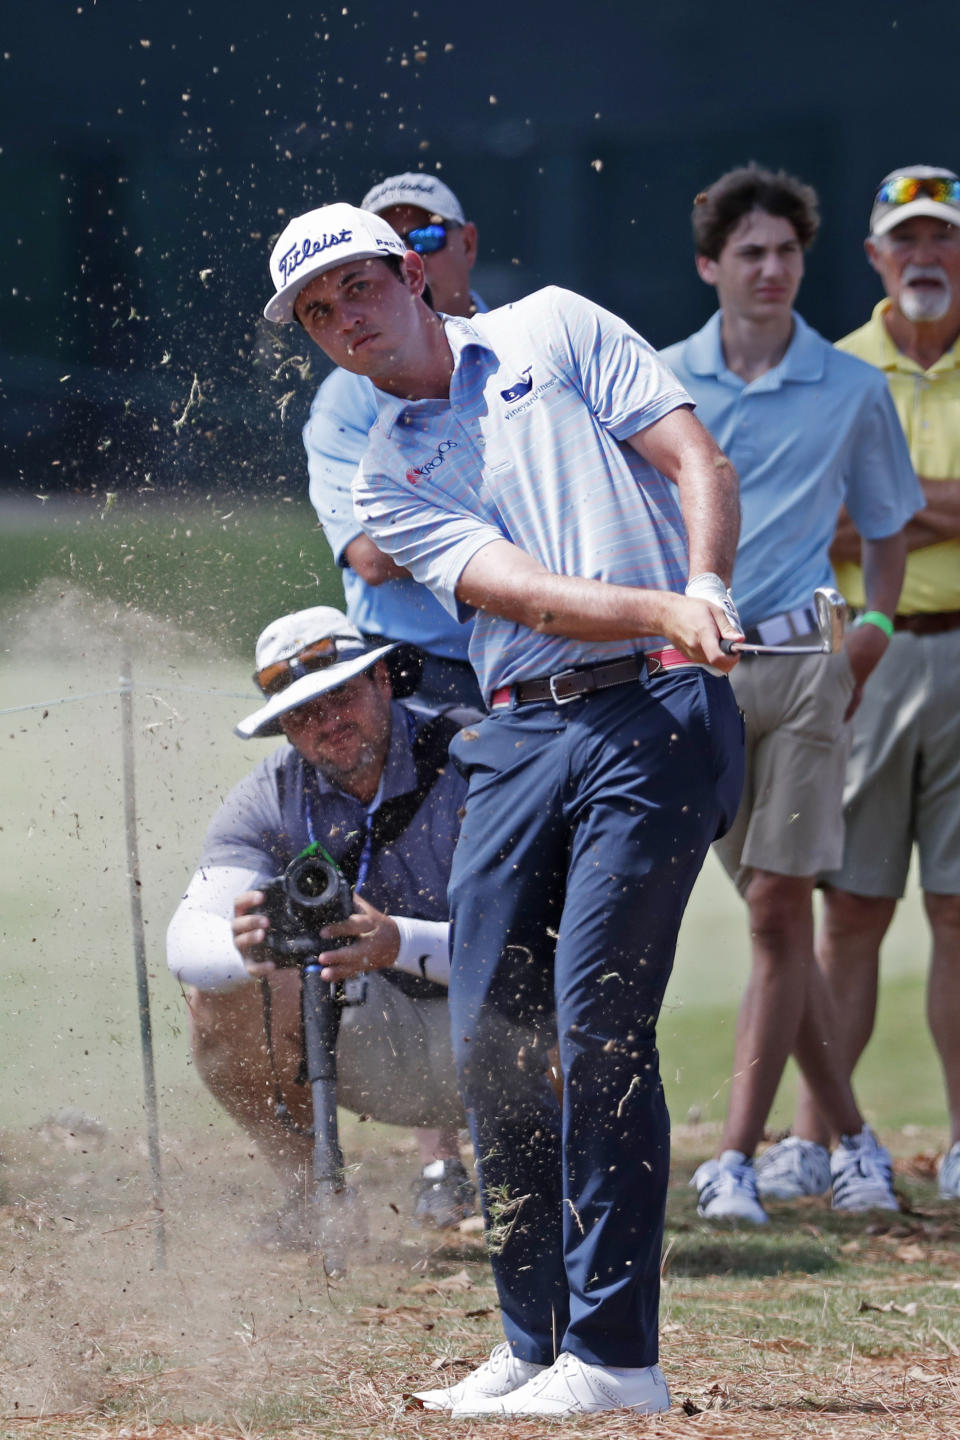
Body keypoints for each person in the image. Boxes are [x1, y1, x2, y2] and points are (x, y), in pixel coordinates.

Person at [262, 199, 746, 1417]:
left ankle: (619, 1358)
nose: (344, 320)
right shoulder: (387, 476)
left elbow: (694, 457)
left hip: (656, 716)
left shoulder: (554, 329)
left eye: (355, 288)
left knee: (595, 1024)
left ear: (410, 273)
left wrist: (699, 588)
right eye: (318, 314)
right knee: (489, 1035)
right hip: (523, 724)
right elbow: (519, 591)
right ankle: (533, 1340)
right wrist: (655, 609)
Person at [661, 165, 924, 1225]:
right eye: (752, 254)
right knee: (771, 923)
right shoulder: (662, 383)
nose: (773, 272)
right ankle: (854, 1138)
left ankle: (734, 1159)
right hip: (700, 679)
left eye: (787, 254)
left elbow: (889, 526)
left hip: (809, 669)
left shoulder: (850, 388)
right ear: (710, 267)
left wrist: (872, 633)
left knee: (780, 908)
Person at [166, 605, 478, 1242]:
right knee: (218, 998)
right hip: (373, 1038)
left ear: (383, 681)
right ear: (284, 727)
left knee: (582, 986)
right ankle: (319, 1201)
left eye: (340, 695)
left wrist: (397, 942)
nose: (328, 722)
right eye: (304, 712)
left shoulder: (476, 758)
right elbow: (187, 935)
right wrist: (243, 948)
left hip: (502, 1027)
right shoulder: (268, 796)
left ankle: (549, 1203)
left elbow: (546, 944)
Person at [771, 167, 960, 1201]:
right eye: (908, 239)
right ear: (877, 256)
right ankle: (822, 1142)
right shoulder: (836, 371)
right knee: (849, 911)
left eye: (943, 238)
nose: (926, 256)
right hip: (865, 651)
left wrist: (889, 508)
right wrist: (934, 509)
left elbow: (864, 516)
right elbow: (818, 524)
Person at [302, 174, 484, 710]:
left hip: (553, 651)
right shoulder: (341, 400)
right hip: (417, 675)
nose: (411, 254)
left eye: (424, 238)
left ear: (466, 244)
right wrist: (520, 522)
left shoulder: (526, 342)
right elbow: (371, 558)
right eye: (387, 246)